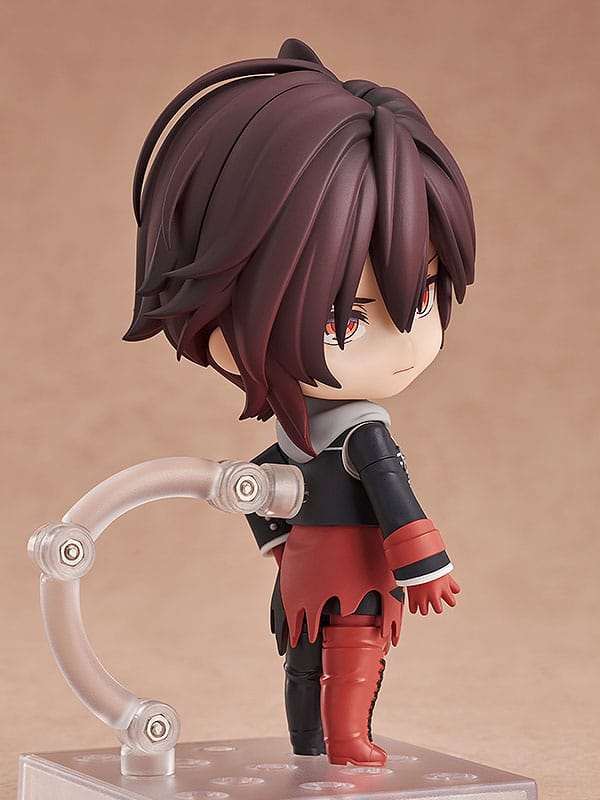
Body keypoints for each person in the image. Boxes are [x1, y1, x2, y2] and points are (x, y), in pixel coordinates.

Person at [125, 38, 475, 766]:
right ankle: (341, 741)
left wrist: (284, 546)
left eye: (421, 302)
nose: (403, 344)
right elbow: (393, 495)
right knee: (349, 652)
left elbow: (264, 484)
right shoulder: (361, 433)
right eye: (346, 319)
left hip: (306, 571)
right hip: (350, 573)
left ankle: (315, 742)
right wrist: (425, 563)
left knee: (305, 658)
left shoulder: (305, 432)